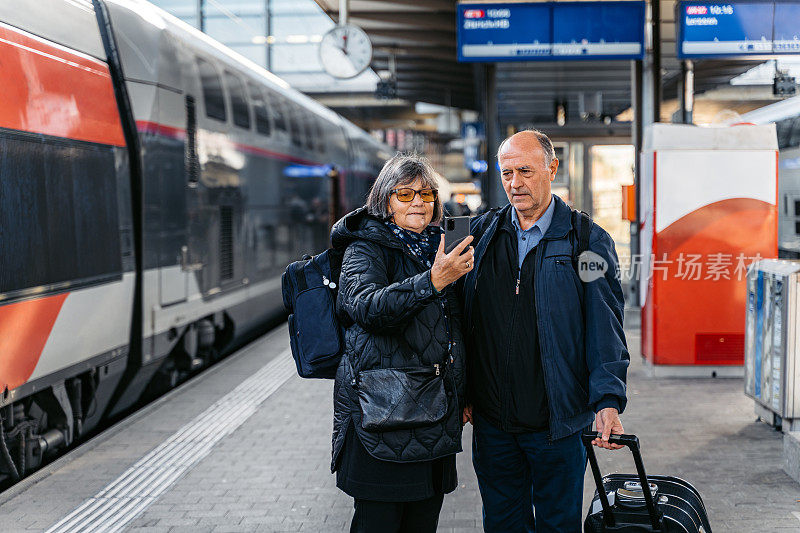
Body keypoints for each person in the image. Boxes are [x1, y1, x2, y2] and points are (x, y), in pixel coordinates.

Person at [460, 130, 629, 532]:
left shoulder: (587, 241)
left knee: (559, 524)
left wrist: (607, 400)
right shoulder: (480, 237)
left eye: (525, 171)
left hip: (559, 425)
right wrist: (461, 391)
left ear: (552, 169)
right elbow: (459, 321)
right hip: (493, 425)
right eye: (506, 174)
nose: (515, 184)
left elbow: (605, 324)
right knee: (502, 524)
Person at [330, 153, 474, 533]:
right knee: (379, 523)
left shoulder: (440, 248)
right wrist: (432, 281)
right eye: (405, 194)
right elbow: (366, 307)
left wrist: (464, 393)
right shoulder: (363, 247)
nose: (418, 203)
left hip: (436, 411)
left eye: (426, 194)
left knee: (422, 523)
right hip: (383, 413)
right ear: (385, 200)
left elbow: (454, 329)